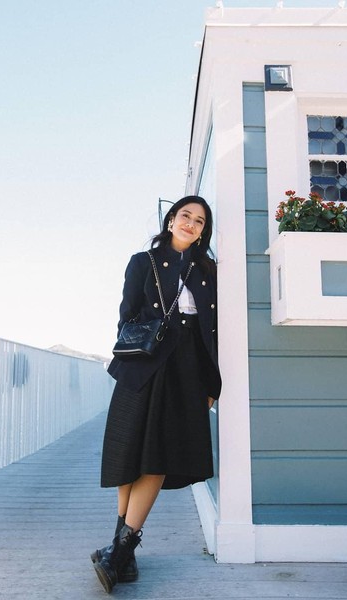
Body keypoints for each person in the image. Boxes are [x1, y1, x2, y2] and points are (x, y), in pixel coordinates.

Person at [92, 195, 222, 593]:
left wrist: (210, 384)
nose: (191, 223)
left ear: (203, 232)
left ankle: (119, 551)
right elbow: (126, 317)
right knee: (129, 453)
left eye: (200, 221)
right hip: (144, 367)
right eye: (186, 215)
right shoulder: (142, 262)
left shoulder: (208, 270)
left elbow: (212, 331)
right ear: (170, 220)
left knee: (158, 456)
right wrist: (140, 358)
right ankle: (122, 552)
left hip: (187, 370)